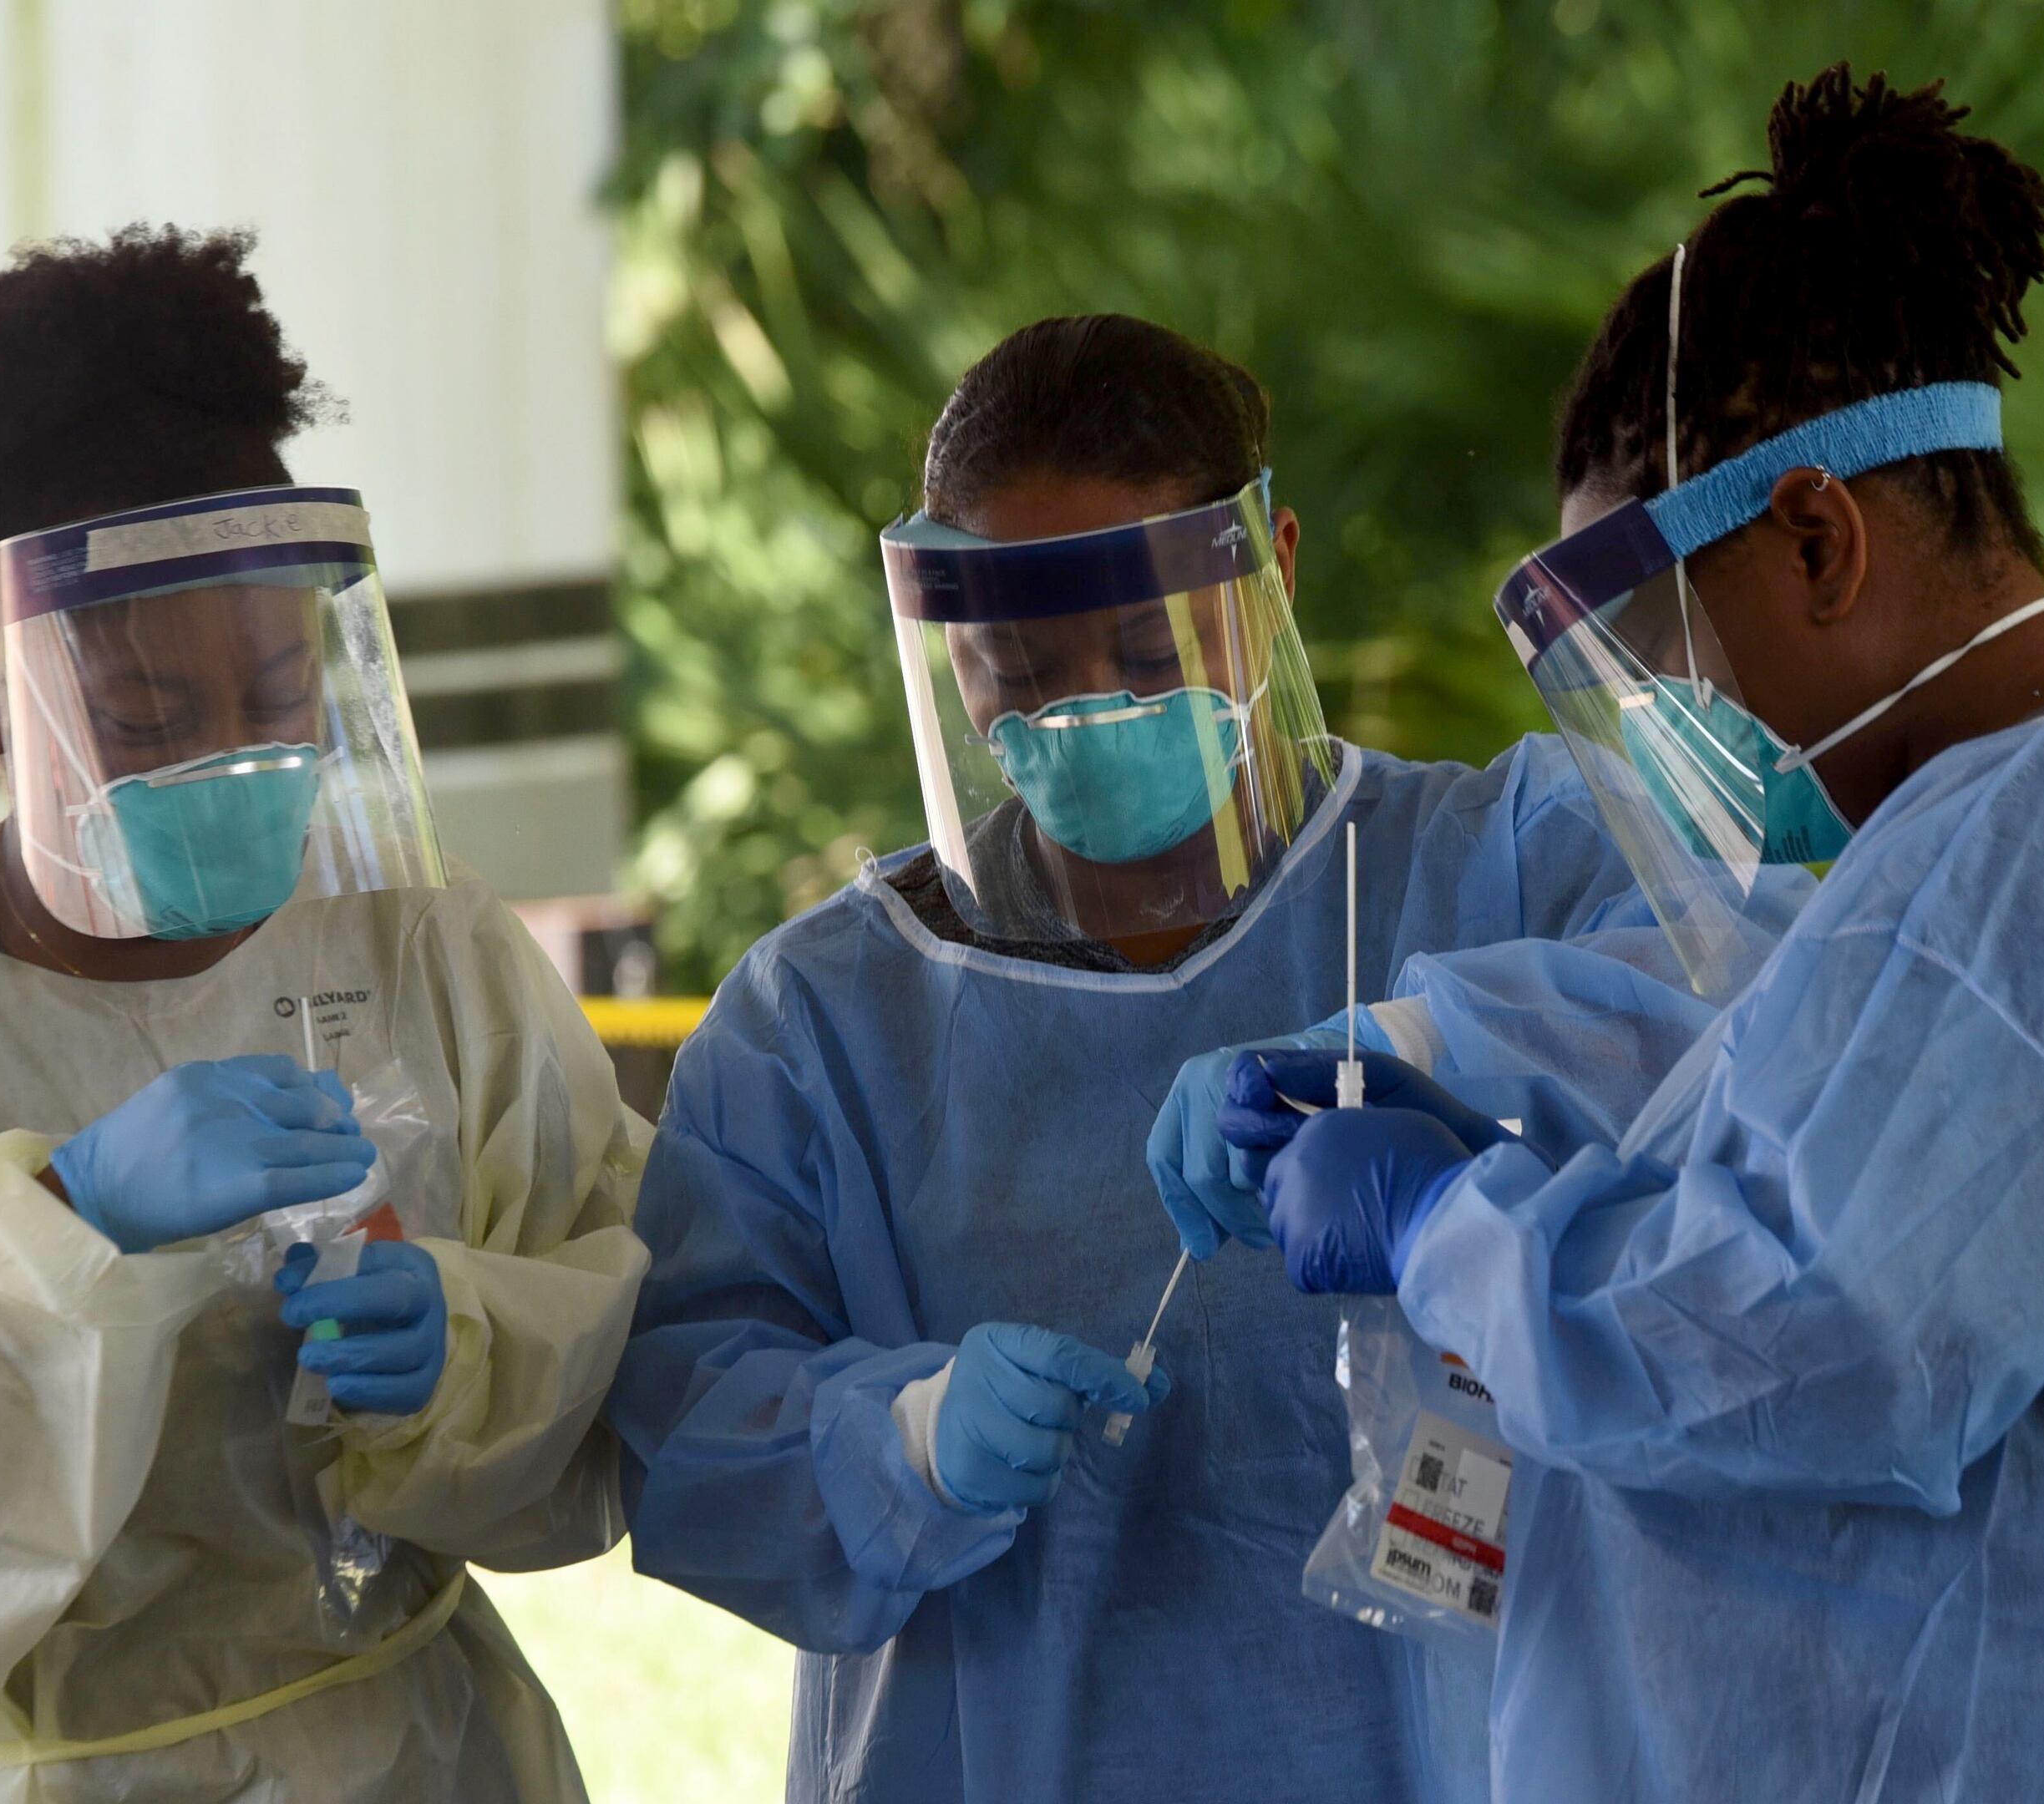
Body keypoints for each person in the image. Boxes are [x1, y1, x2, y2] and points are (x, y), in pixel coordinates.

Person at [1192, 70, 2044, 1803]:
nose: (1661, 723)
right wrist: (1473, 1076)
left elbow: (1812, 1342)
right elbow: (1848, 1144)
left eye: (1657, 649)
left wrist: (1455, 1228)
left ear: (1818, 536)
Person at [0, 226, 650, 1804]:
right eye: (148, 721)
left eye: (280, 703)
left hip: (389, 1755)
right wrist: (54, 1229)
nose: (236, 762)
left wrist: (476, 1343)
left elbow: (636, 1309)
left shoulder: (428, 960)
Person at [608, 314, 1665, 1804]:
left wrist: (1426, 1042)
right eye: (1016, 668)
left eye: (1147, 648)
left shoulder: (1500, 868)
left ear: (1273, 573)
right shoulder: (823, 1026)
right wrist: (906, 1443)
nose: (1083, 706)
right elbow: (687, 1424)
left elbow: (1746, 1020)